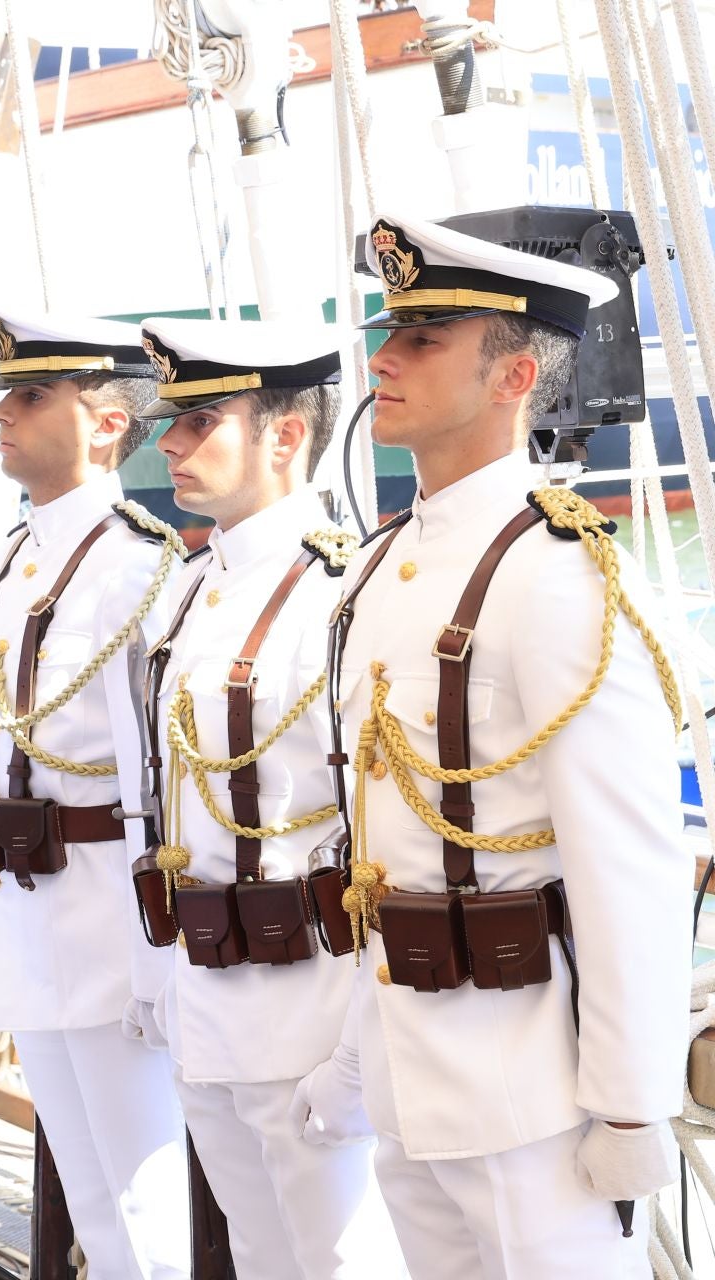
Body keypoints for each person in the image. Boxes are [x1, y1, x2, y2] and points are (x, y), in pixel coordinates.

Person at [302, 213, 685, 1275]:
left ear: (515, 373)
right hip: (410, 1083)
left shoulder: (556, 576)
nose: (383, 356)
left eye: (424, 338)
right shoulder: (381, 569)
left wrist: (629, 1104)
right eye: (391, 331)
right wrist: (351, 1053)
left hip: (537, 1102)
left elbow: (629, 866)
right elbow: (377, 850)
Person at [135, 317, 403, 1276]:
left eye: (201, 419)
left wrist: (360, 1063)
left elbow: (387, 843)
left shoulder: (347, 593)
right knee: (256, 1259)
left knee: (342, 1265)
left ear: (284, 437)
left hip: (310, 1012)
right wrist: (158, 981)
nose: (168, 439)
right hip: (205, 994)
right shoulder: (190, 588)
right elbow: (169, 803)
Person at [0, 313, 189, 1279]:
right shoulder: (12, 560)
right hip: (28, 909)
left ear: (102, 423)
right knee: (89, 1195)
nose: (3, 414)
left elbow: (157, 780)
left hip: (106, 916)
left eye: (31, 396)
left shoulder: (139, 563)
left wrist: (156, 959)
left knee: (148, 1196)